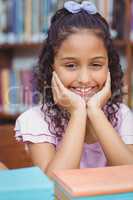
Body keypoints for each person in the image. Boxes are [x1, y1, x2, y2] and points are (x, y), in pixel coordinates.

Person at [15, 1, 133, 178]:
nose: (84, 79)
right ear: (51, 67)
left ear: (110, 66)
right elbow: (54, 186)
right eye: (70, 65)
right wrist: (78, 113)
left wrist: (95, 112)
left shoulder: (122, 115)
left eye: (96, 64)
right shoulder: (36, 120)